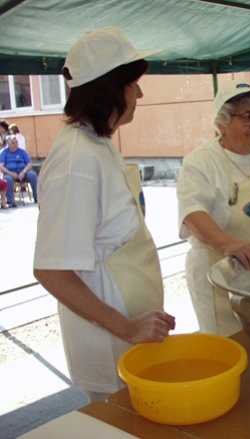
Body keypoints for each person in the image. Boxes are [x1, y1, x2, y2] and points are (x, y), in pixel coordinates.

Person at [33, 27, 175, 403]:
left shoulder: (99, 144)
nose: (139, 94)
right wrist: (127, 327)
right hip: (110, 344)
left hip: (132, 331)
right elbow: (51, 270)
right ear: (110, 89)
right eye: (133, 84)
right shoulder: (76, 160)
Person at [177, 79, 250, 336]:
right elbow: (193, 215)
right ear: (222, 124)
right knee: (230, 343)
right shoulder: (201, 162)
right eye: (247, 117)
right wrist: (228, 244)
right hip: (221, 277)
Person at [0, 135, 38, 207]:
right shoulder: (3, 153)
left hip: (23, 172)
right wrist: (11, 173)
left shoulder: (22, 151)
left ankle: (36, 197)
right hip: (10, 173)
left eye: (16, 142)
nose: (15, 144)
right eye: (13, 143)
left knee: (33, 175)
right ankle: (10, 201)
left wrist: (24, 171)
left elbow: (29, 163)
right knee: (7, 179)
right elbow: (1, 166)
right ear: (8, 144)